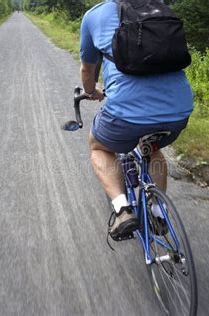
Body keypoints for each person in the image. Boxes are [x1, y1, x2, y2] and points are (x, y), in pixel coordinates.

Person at [79, 0, 194, 241]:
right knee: (152, 148)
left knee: (99, 147)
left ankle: (122, 210)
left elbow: (88, 71)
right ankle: (157, 212)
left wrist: (91, 92)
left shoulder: (94, 15)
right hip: (179, 109)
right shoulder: (158, 7)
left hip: (125, 113)